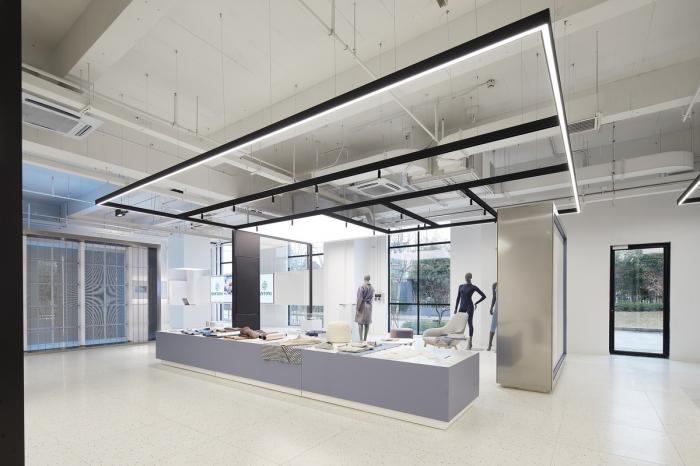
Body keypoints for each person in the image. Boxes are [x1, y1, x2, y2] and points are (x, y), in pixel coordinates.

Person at [455, 272, 486, 350]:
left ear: (470, 278)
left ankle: (470, 342)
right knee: (459, 324)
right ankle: (457, 341)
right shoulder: (461, 286)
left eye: (468, 277)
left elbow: (484, 296)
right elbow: (458, 298)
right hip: (461, 307)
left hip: (469, 306)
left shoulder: (473, 287)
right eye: (466, 277)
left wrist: (476, 303)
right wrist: (455, 308)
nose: (466, 278)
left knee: (470, 324)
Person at [355, 275, 374, 341]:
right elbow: (372, 298)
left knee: (360, 323)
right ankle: (365, 339)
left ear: (364, 278)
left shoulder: (362, 286)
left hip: (362, 305)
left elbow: (359, 298)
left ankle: (361, 339)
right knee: (367, 323)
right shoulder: (372, 288)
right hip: (369, 306)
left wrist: (357, 308)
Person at [487, 282, 497, 351]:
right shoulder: (495, 285)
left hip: (505, 306)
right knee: (493, 326)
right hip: (497, 307)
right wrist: (491, 307)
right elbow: (494, 297)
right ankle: (489, 344)